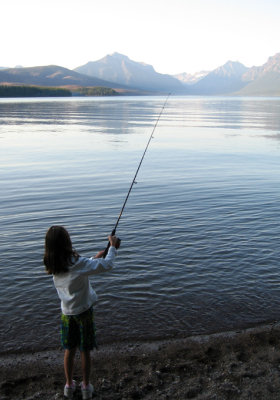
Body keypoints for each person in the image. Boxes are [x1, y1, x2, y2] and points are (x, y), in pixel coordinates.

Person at [44, 225, 119, 400]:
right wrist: (113, 247)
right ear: (67, 242)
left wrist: (94, 258)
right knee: (85, 350)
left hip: (66, 314)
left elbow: (79, 270)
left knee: (69, 349)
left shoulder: (53, 262)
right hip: (84, 312)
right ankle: (86, 387)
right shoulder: (76, 262)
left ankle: (69, 385)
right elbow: (107, 265)